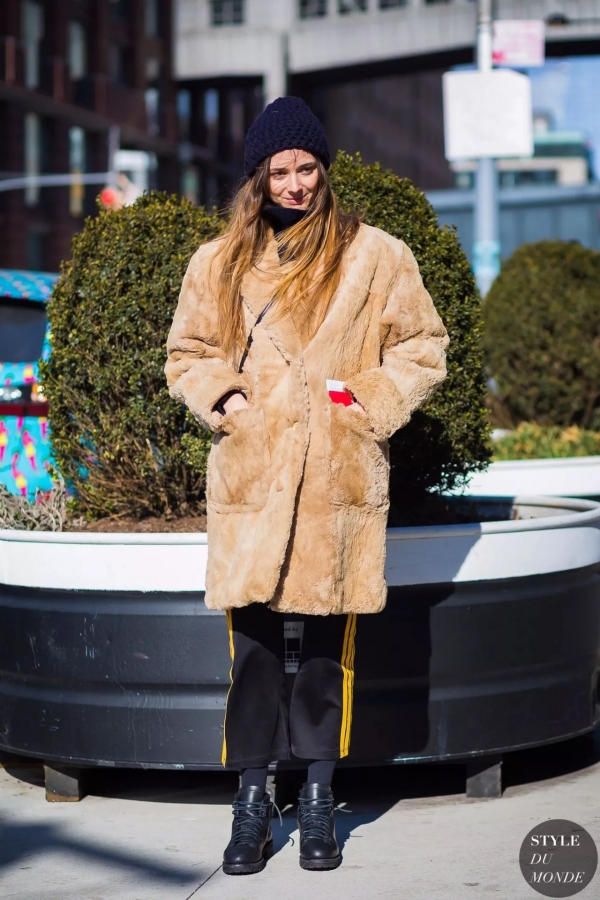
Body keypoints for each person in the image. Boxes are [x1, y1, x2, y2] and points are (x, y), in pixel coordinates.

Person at [165, 96, 449, 875]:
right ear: (257, 178)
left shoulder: (376, 256)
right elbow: (187, 351)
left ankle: (320, 794)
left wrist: (364, 404)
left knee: (328, 650)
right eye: (280, 171)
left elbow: (423, 346)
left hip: (336, 474)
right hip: (255, 478)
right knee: (253, 651)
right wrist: (227, 401)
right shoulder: (217, 262)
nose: (296, 184)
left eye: (307, 168)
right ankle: (252, 798)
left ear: (325, 169)